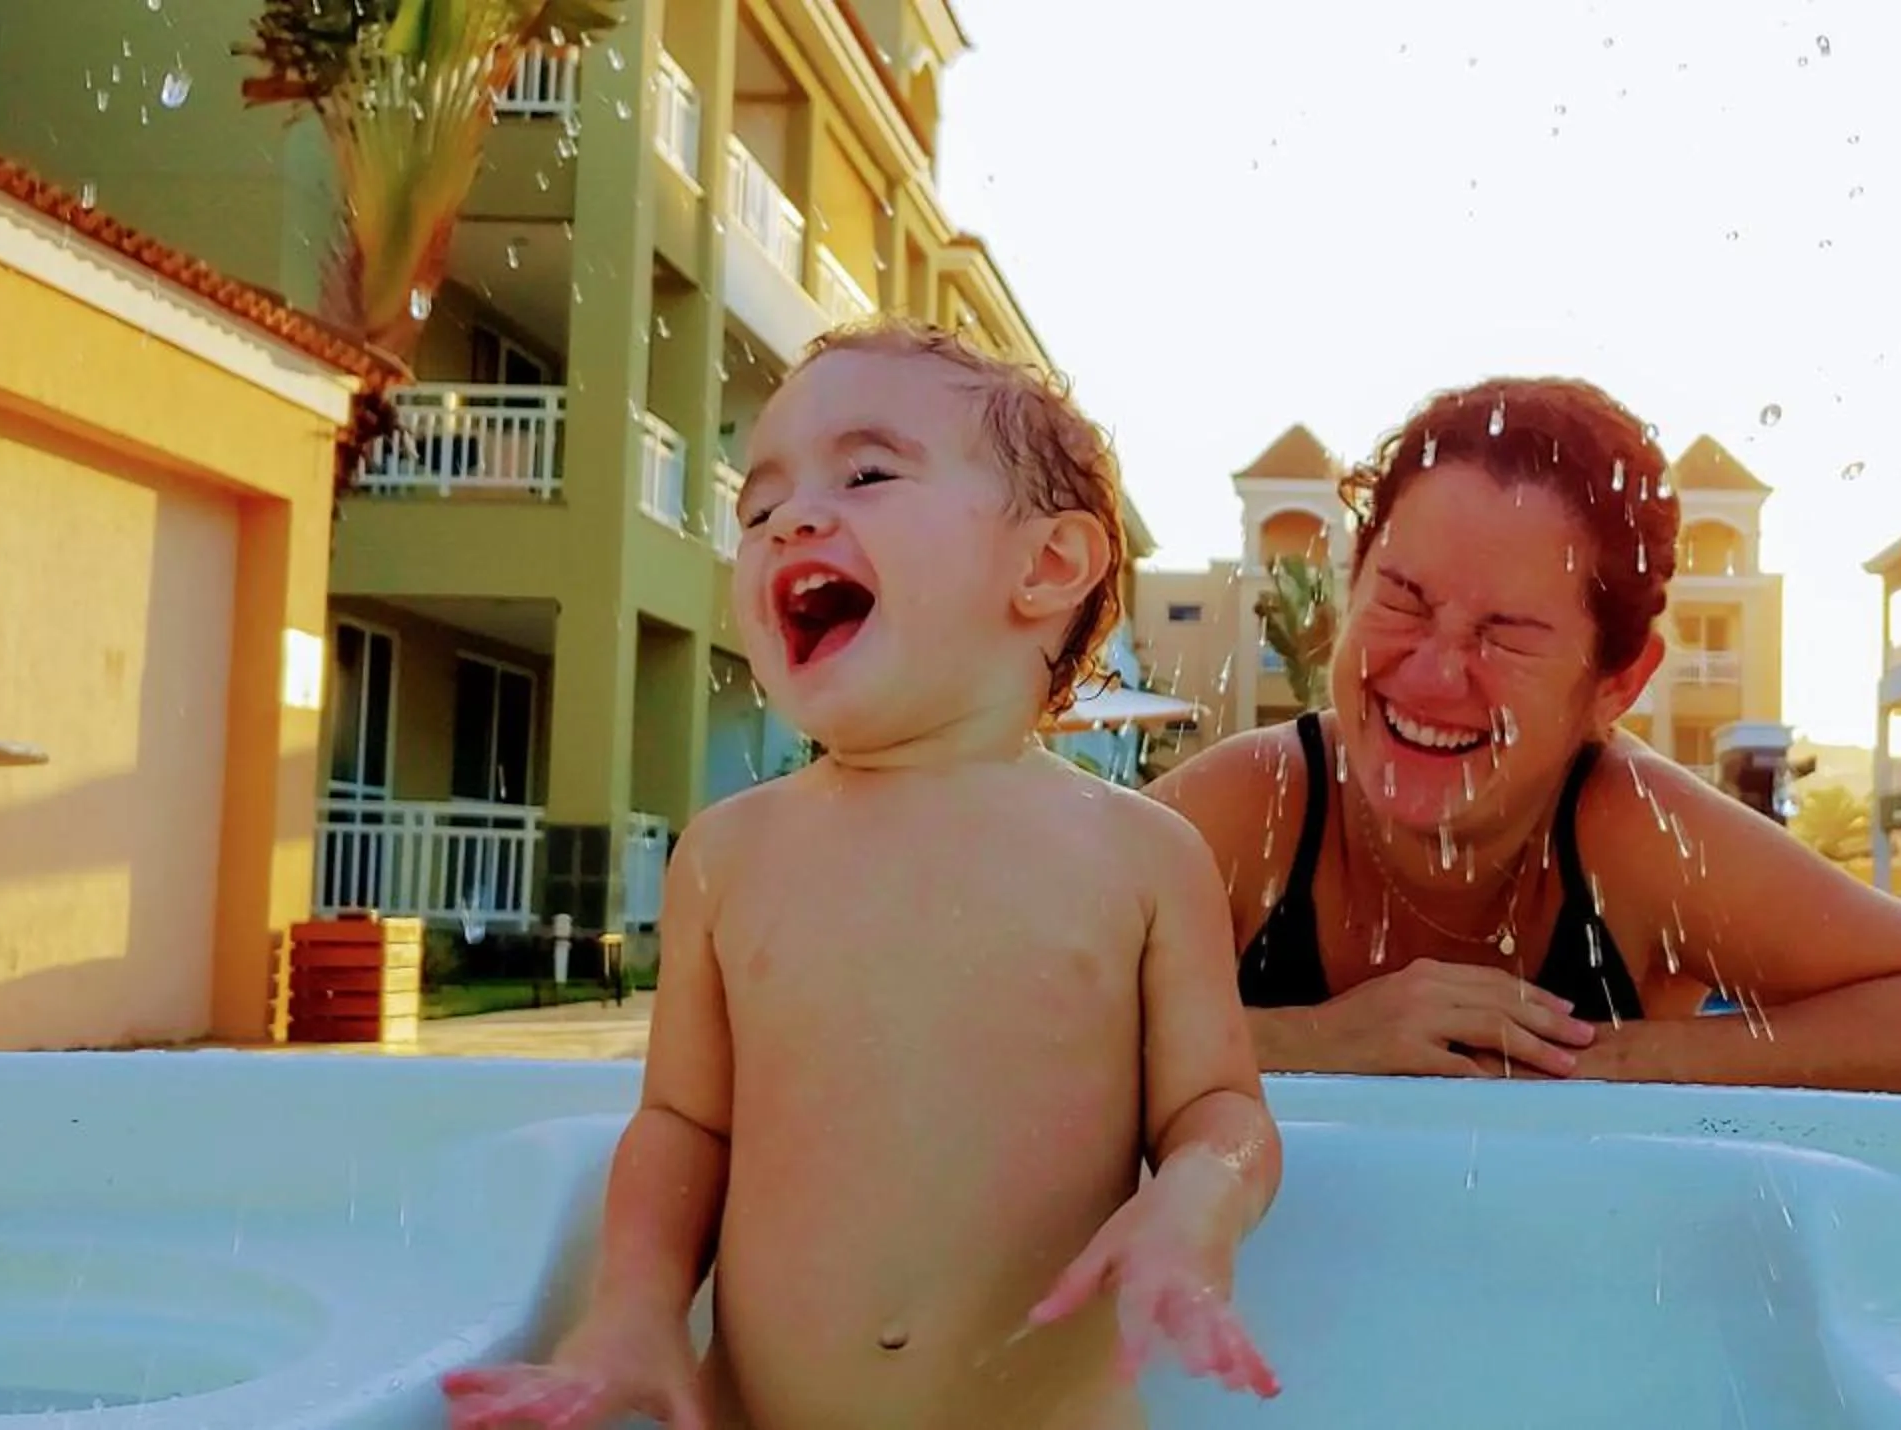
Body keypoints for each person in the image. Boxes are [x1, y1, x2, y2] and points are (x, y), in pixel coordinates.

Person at [441, 321, 1283, 1429]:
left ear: (1046, 565)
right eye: (757, 507)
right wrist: (638, 1305)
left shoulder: (1135, 853)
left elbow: (1219, 1104)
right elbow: (685, 1124)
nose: (789, 517)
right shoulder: (732, 854)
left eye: (869, 473)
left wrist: (1196, 1199)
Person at [1150, 377, 1901, 1097]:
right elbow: (1010, 1011)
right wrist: (1319, 1040)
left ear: (1616, 685)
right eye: (1402, 599)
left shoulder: (1635, 839)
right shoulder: (1254, 812)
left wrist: (1580, 1062)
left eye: (1506, 635)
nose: (1431, 673)